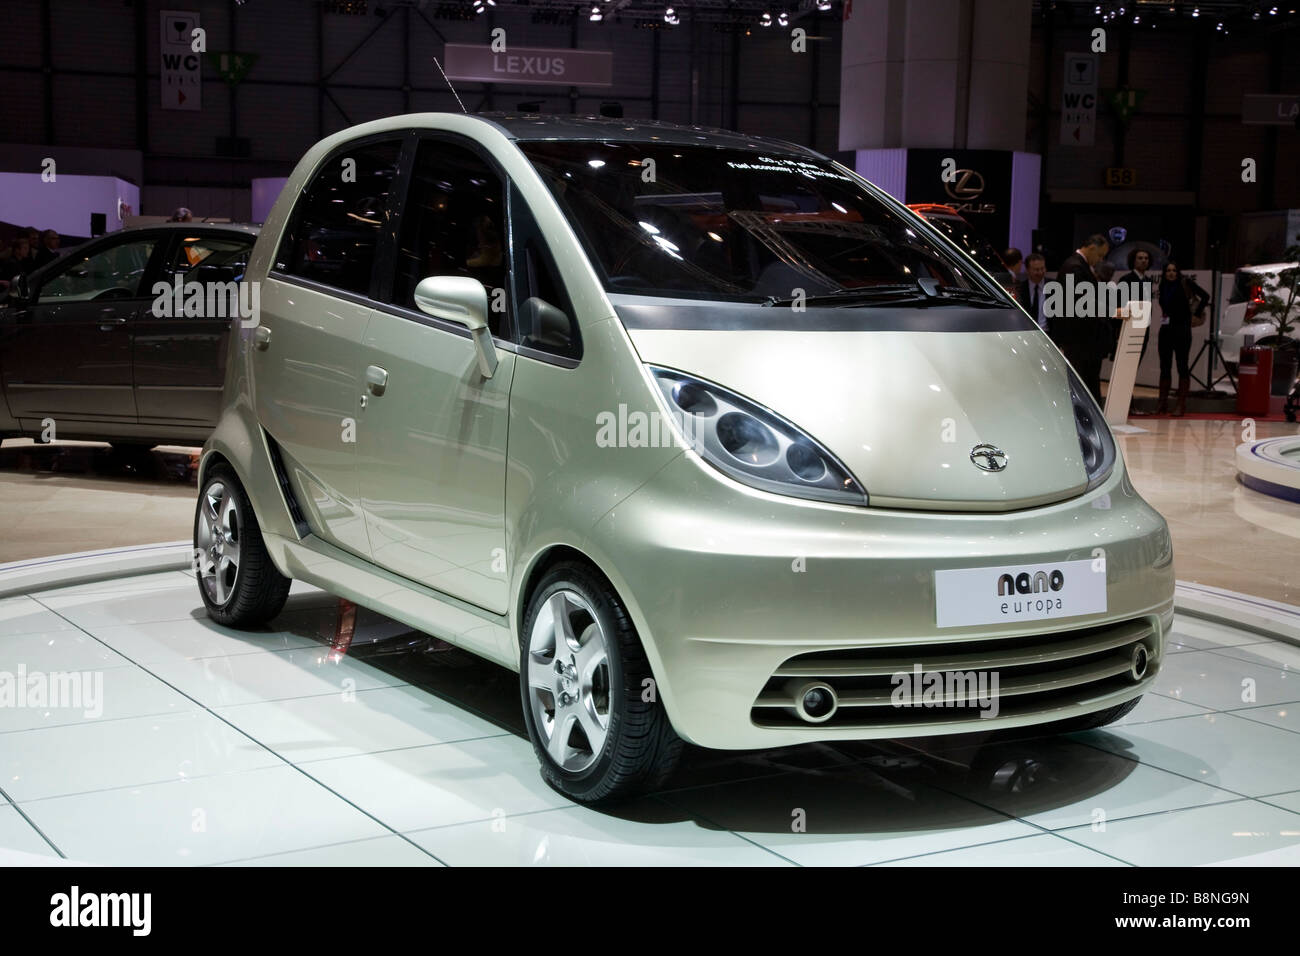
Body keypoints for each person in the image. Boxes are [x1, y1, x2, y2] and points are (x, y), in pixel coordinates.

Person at [1052, 234, 1110, 403]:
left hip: (1083, 340)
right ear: (1092, 248)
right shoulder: (1074, 267)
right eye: (1099, 255)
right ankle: (1085, 422)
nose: (1099, 260)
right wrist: (1110, 311)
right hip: (1080, 340)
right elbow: (1081, 303)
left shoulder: (1078, 266)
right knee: (1083, 382)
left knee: (1087, 382)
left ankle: (1089, 421)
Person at [1153, 259, 1208, 417]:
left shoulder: (1186, 283)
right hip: (1166, 330)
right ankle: (1162, 402)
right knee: (1164, 366)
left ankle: (1180, 404)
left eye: (1174, 270)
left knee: (1182, 366)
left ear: (1179, 273)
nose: (1171, 273)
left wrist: (1196, 315)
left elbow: (1205, 296)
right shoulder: (1163, 286)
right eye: (1168, 271)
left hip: (1182, 330)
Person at [1118, 248, 1156, 363]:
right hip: (1129, 326)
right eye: (1140, 258)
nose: (1144, 261)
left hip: (1144, 326)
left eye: (1146, 258)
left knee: (1136, 362)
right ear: (1133, 261)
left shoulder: (1148, 281)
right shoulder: (1126, 279)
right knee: (1126, 362)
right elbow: (1120, 304)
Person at [1017, 253, 1049, 331]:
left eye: (1042, 268)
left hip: (1048, 333)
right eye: (1036, 270)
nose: (1040, 272)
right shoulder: (1020, 289)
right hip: (1028, 332)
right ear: (1027, 270)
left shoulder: (1054, 287)